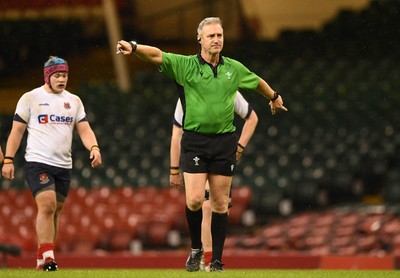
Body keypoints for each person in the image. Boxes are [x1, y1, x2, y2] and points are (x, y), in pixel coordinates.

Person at [116, 16, 287, 272]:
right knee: (195, 200)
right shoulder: (185, 65)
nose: (216, 39)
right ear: (200, 39)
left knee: (219, 204)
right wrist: (134, 47)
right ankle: (196, 248)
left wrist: (273, 97)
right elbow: (157, 56)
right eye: (211, 36)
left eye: (219, 35)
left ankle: (216, 260)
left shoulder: (233, 69)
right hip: (195, 142)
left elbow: (257, 81)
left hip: (224, 142)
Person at [1, 56, 102, 271]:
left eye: (65, 75)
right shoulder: (30, 98)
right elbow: (17, 131)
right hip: (38, 162)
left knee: (55, 210)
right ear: (47, 77)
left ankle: (42, 257)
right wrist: (8, 159)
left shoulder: (74, 101)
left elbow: (84, 128)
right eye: (57, 75)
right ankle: (49, 257)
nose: (62, 79)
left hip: (64, 165)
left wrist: (94, 148)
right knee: (46, 205)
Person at [169, 92, 258, 271]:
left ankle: (212, 260)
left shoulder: (228, 88)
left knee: (216, 205)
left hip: (220, 151)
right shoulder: (187, 93)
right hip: (196, 149)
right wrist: (174, 169)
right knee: (201, 203)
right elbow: (177, 134)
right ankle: (205, 256)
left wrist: (239, 149)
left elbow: (252, 118)